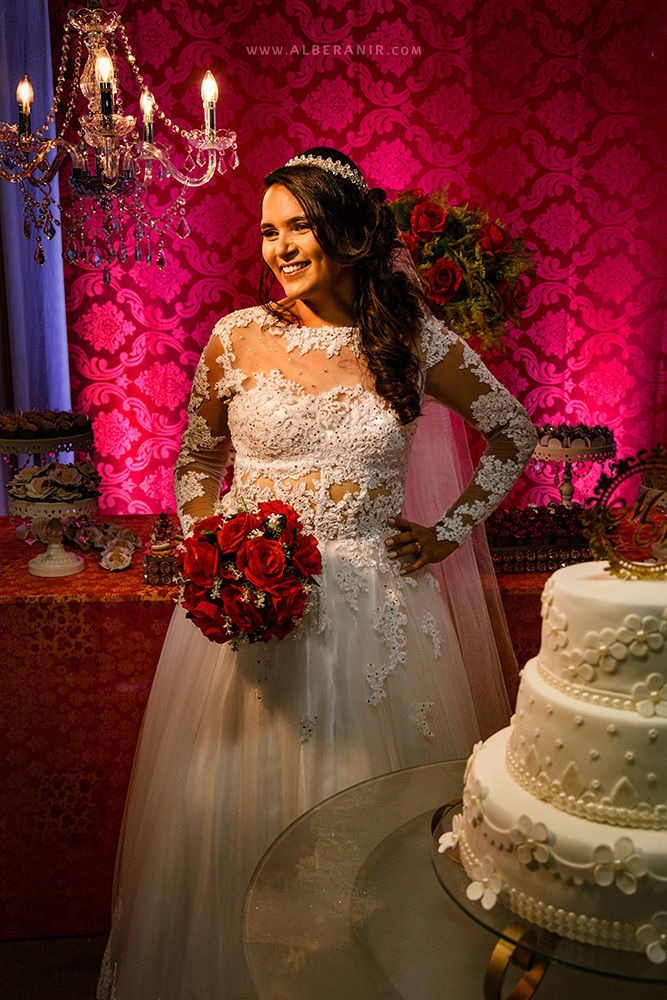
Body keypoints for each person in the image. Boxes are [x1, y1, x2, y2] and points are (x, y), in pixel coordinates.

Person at [97, 148, 536, 1000]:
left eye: (298, 225)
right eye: (267, 231)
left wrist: (447, 533)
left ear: (350, 231)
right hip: (249, 608)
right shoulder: (236, 337)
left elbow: (512, 432)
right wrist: (208, 545)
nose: (280, 246)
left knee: (364, 805)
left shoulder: (413, 341)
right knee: (230, 801)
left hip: (374, 610)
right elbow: (195, 462)